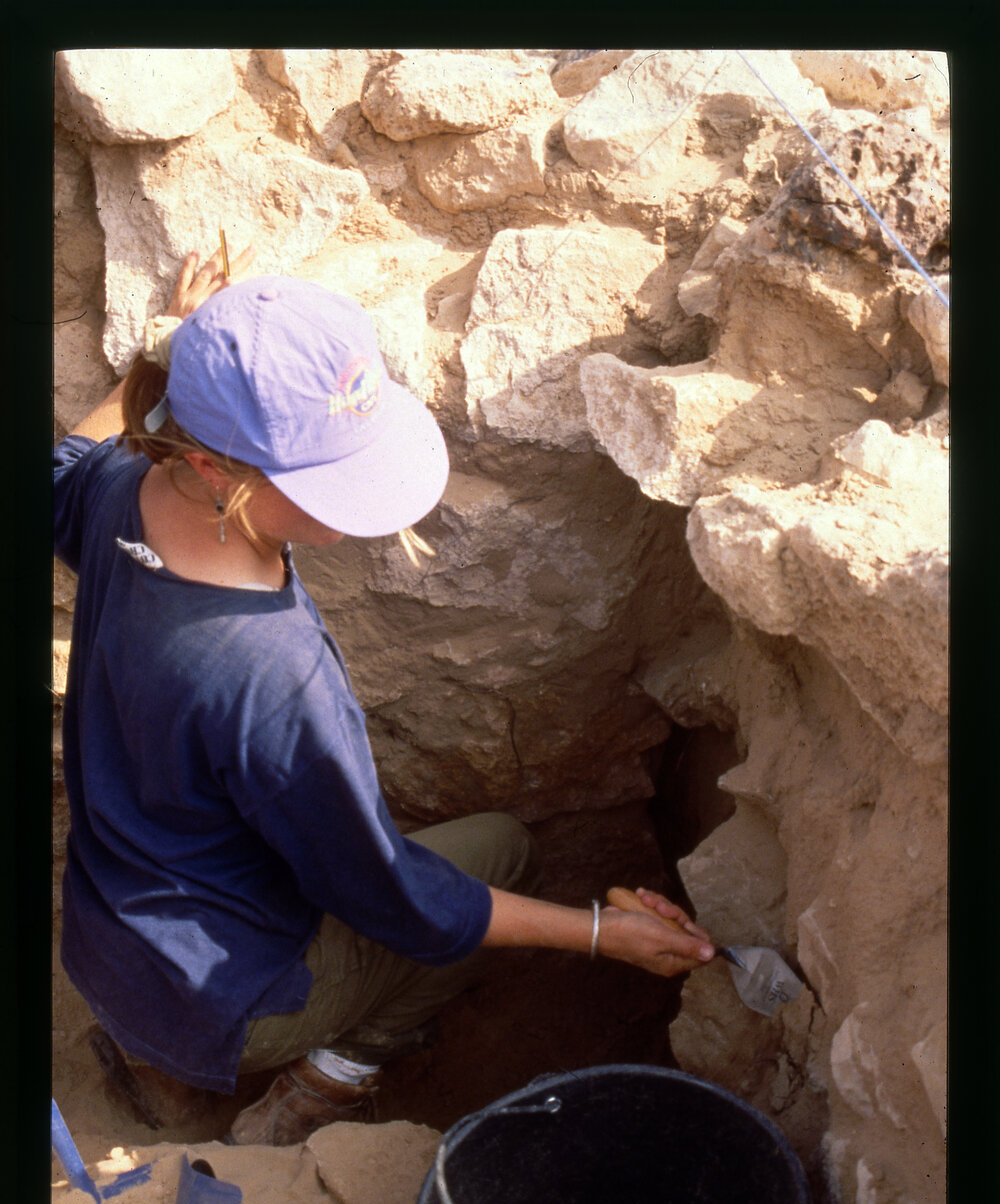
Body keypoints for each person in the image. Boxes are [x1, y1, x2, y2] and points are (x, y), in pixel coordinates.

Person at [53, 247, 717, 1147]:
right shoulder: (275, 677)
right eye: (323, 480)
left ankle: (158, 1070)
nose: (356, 505)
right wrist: (601, 932)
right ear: (214, 470)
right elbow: (400, 902)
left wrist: (170, 348)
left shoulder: (121, 491)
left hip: (108, 934)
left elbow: (63, 464)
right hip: (222, 994)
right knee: (503, 852)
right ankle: (316, 1088)